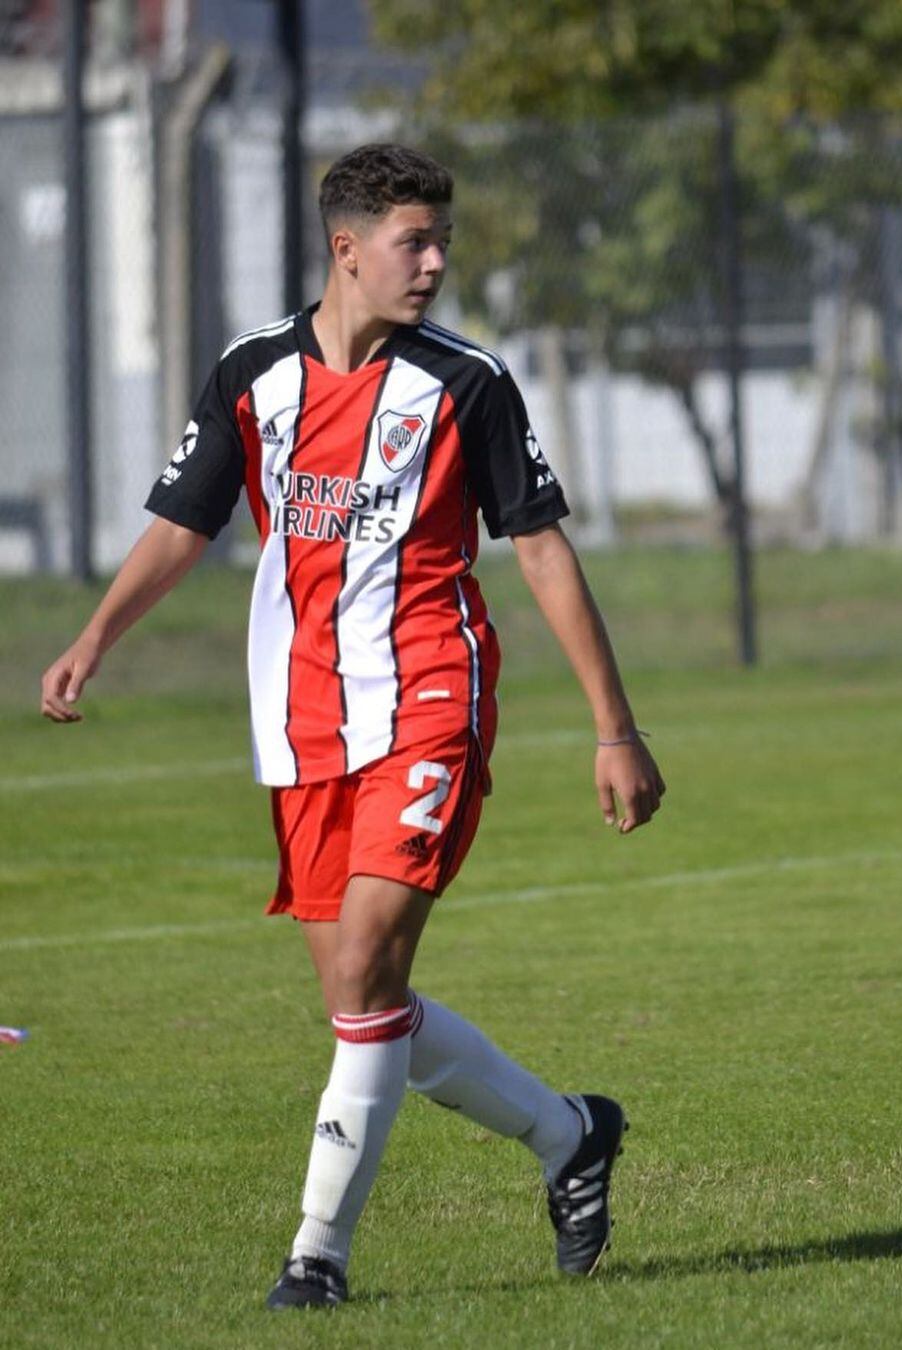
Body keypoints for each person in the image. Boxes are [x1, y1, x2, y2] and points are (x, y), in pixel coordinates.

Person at [41, 143, 665, 1310]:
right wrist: (96, 637)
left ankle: (315, 1260)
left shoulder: (466, 385)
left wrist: (612, 727)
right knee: (366, 1008)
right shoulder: (250, 372)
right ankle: (570, 1135)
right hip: (299, 719)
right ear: (347, 248)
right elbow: (185, 522)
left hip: (432, 692)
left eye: (440, 242)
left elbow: (538, 546)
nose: (432, 263)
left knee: (375, 967)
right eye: (411, 242)